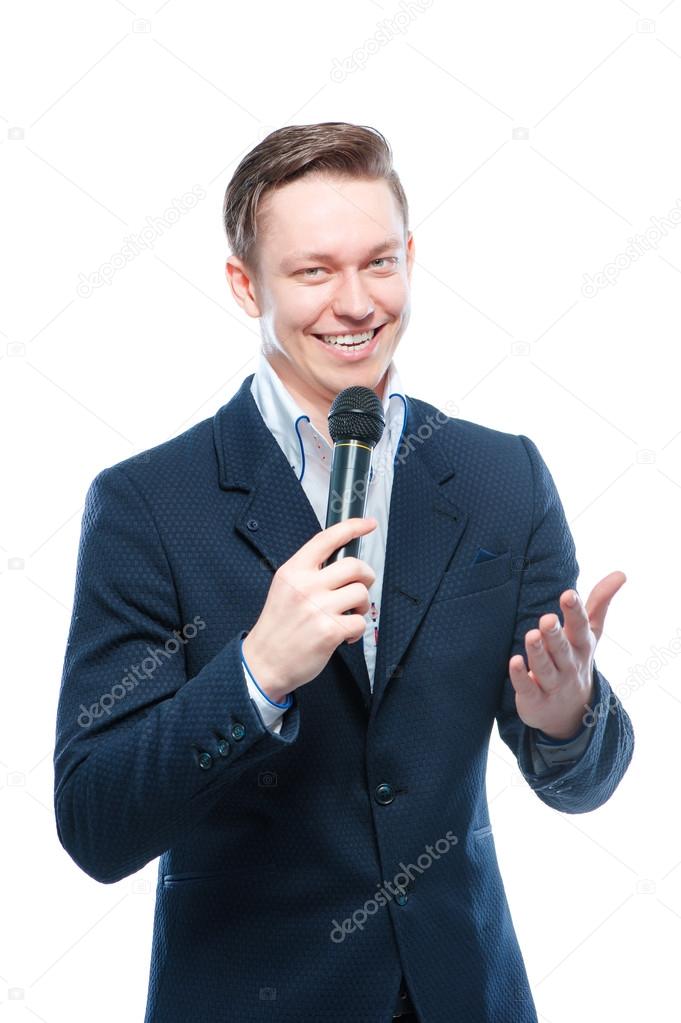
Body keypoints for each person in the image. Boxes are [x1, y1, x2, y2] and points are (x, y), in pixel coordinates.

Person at [53, 122, 635, 1023]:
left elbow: (583, 778)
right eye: (314, 271)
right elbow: (95, 820)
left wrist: (565, 718)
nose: (356, 302)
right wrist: (255, 674)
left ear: (411, 258)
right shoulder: (148, 505)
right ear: (246, 284)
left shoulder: (499, 476)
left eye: (380, 262)